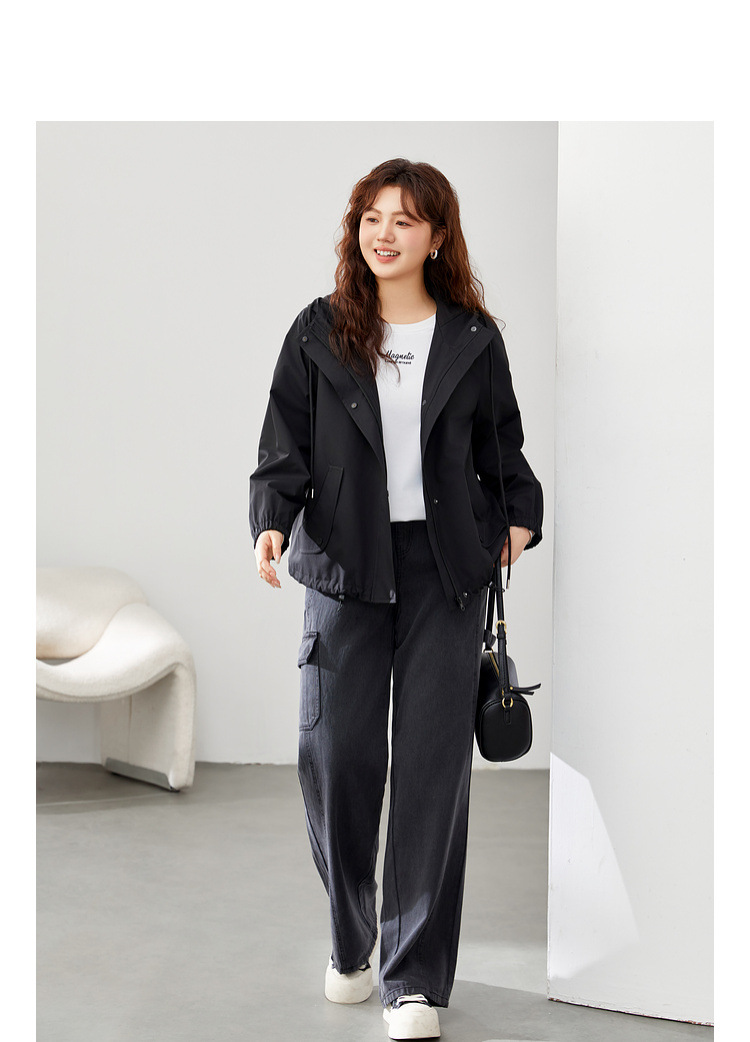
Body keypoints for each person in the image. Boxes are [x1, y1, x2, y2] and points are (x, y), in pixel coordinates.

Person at [248, 158, 543, 1040]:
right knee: (336, 761)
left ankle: (412, 980)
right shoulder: (319, 329)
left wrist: (518, 520)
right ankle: (351, 942)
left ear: (437, 237)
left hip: (445, 571)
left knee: (430, 773)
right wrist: (272, 521)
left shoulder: (472, 338)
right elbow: (284, 442)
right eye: (373, 217)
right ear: (358, 229)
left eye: (405, 220)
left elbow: (504, 449)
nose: (385, 233)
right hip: (345, 564)